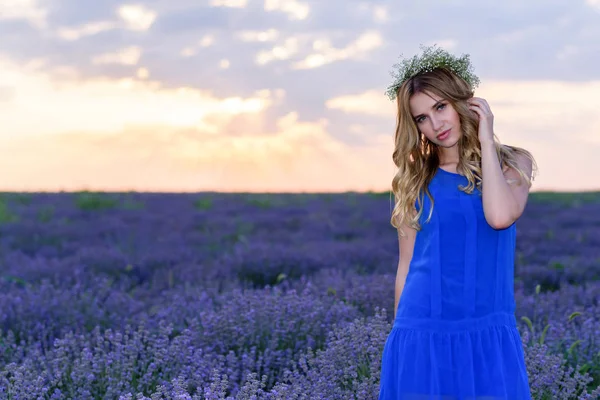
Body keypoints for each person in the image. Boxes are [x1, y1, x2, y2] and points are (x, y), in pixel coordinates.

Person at [378, 45, 538, 399]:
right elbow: (406, 265)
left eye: (440, 107)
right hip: (422, 328)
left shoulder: (514, 164)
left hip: (488, 330)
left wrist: (485, 140)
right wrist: (399, 338)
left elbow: (499, 216)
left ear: (462, 101)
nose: (435, 125)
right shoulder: (415, 179)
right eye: (421, 118)